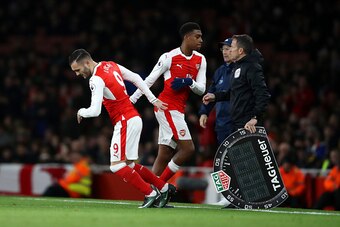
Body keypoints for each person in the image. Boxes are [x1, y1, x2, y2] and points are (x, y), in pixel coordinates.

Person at [68, 49, 175, 208]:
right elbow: (137, 78)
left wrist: (81, 111)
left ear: (87, 63)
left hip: (125, 120)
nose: (77, 74)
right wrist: (152, 99)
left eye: (77, 70)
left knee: (116, 166)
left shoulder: (96, 79)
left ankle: (150, 193)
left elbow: (95, 110)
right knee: (129, 165)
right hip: (134, 118)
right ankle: (164, 188)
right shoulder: (110, 65)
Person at [130, 22, 206, 182]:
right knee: (188, 149)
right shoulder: (168, 57)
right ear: (187, 37)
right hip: (167, 107)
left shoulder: (201, 60)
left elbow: (202, 89)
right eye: (197, 37)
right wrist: (132, 99)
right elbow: (149, 80)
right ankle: (159, 187)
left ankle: (150, 191)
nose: (201, 40)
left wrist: (189, 82)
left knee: (164, 154)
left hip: (178, 110)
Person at [202, 34, 271, 134]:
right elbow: (234, 92)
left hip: (249, 124)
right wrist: (215, 96)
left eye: (232, 47)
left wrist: (255, 118)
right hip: (237, 122)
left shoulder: (252, 67)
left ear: (240, 51)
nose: (229, 50)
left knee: (250, 150)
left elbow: (263, 95)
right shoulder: (237, 67)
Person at [199, 38, 233, 207]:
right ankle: (224, 195)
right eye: (223, 49)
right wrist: (204, 112)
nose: (225, 52)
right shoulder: (220, 71)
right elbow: (211, 92)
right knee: (219, 161)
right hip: (221, 124)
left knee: (234, 160)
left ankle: (237, 195)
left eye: (228, 49)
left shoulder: (241, 70)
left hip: (236, 122)